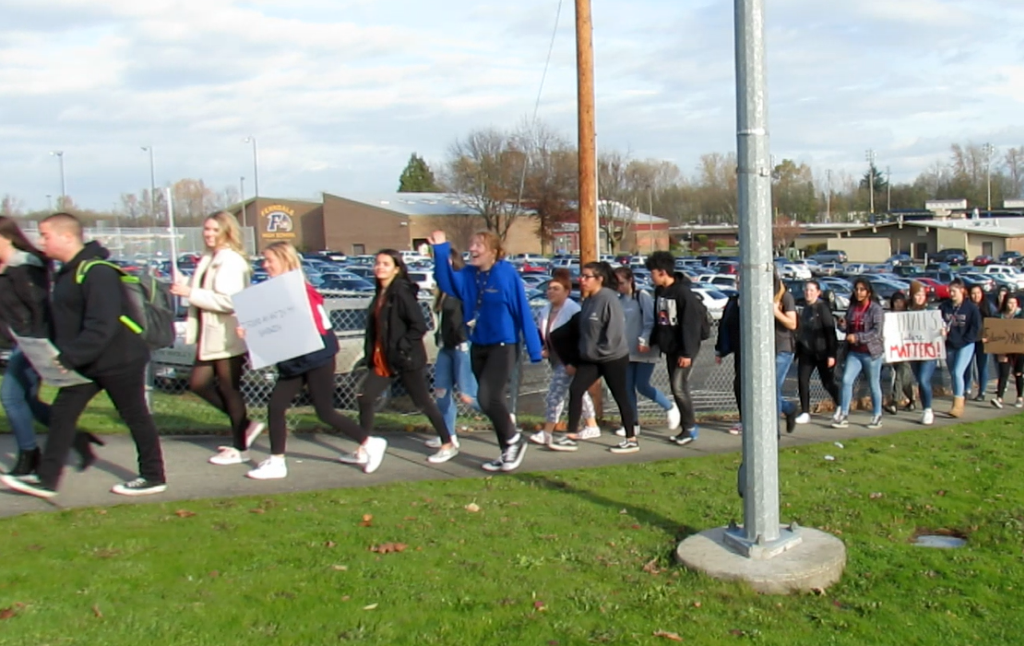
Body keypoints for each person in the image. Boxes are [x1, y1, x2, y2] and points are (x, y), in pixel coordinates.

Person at [1, 213, 166, 498]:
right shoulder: (65, 273)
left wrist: (68, 357)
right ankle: (46, 480)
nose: (41, 241)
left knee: (135, 416)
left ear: (67, 237)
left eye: (46, 235)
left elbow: (102, 326)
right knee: (63, 415)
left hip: (119, 359)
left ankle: (153, 476)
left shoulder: (97, 271)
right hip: (88, 362)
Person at [241, 242, 385, 478]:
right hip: (293, 361)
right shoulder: (271, 291)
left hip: (317, 359)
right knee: (276, 406)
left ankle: (370, 443)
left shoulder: (301, 291)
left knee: (325, 412)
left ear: (285, 261)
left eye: (270, 260)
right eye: (264, 261)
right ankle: (277, 461)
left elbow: (316, 328)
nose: (265, 265)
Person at [428, 230, 542, 472]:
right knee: (493, 400)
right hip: (478, 344)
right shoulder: (468, 275)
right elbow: (445, 280)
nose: (473, 249)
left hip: (504, 345)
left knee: (487, 397)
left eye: (479, 245)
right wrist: (439, 249)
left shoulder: (505, 273)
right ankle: (507, 451)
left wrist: (534, 348)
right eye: (471, 244)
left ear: (494, 251)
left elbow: (522, 309)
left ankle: (513, 440)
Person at [170, 212, 263, 466]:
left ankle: (240, 446)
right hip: (209, 335)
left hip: (226, 334)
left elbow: (228, 300)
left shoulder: (230, 261)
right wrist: (185, 284)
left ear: (227, 231)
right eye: (206, 230)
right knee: (199, 383)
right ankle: (246, 426)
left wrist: (190, 292)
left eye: (214, 230)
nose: (208, 234)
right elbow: (207, 289)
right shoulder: (211, 258)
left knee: (229, 389)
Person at [355, 249, 454, 465]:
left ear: (397, 269)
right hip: (384, 360)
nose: (380, 267)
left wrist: (402, 345)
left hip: (405, 358)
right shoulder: (380, 292)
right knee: (366, 398)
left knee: (422, 401)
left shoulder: (400, 291)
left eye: (386, 264)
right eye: (377, 263)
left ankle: (447, 443)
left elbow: (419, 325)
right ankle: (363, 447)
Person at [0, 217, 55, 476]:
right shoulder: (6, 269)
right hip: (17, 341)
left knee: (11, 397)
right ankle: (73, 435)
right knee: (29, 402)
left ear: (6, 237)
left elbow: (39, 308)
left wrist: (37, 345)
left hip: (32, 341)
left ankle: (29, 454)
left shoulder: (24, 267)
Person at [566, 262, 638, 453]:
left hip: (612, 357)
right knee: (576, 389)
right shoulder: (588, 299)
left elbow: (614, 332)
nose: (582, 280)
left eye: (587, 276)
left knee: (620, 395)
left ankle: (631, 439)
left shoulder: (609, 299)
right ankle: (570, 436)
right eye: (581, 276)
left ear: (600, 279)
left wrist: (601, 352)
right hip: (591, 358)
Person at [530, 268, 600, 451]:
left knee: (555, 394)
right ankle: (592, 425)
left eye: (556, 289)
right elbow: (545, 334)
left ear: (567, 292)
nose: (550, 291)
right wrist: (545, 348)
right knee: (579, 393)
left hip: (570, 361)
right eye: (549, 288)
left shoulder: (573, 311)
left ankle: (547, 431)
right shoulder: (546, 310)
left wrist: (574, 362)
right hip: (556, 360)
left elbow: (580, 339)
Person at [612, 266, 680, 438]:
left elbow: (650, 321)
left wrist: (644, 340)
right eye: (616, 284)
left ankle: (670, 406)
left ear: (630, 280)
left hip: (644, 349)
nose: (619, 287)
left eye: (621, 283)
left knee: (642, 385)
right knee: (627, 388)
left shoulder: (641, 297)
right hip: (626, 350)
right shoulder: (618, 300)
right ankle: (632, 424)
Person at [646, 251, 705, 445]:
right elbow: (661, 320)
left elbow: (691, 325)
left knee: (679, 387)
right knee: (675, 386)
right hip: (670, 348)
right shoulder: (660, 292)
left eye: (652, 272)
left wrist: (687, 352)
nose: (650, 276)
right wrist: (653, 340)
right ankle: (686, 428)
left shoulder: (683, 294)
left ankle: (690, 428)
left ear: (663, 272)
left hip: (684, 349)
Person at [428, 248, 479, 452]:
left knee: (467, 395)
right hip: (446, 347)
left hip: (462, 345)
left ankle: (505, 420)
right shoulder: (442, 291)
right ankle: (448, 436)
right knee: (441, 392)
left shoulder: (462, 285)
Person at [832, 277, 885, 429]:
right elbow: (848, 329)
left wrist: (858, 337)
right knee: (846, 380)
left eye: (862, 289)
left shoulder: (875, 309)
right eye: (856, 289)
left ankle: (877, 414)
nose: (858, 292)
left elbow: (876, 332)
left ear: (868, 292)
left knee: (874, 384)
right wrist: (843, 326)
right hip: (854, 352)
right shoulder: (852, 308)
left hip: (871, 353)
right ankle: (844, 414)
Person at [795, 279, 840, 424]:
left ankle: (840, 405)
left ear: (818, 292)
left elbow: (830, 332)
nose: (808, 293)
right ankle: (805, 412)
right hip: (806, 351)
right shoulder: (805, 308)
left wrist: (832, 354)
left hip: (822, 352)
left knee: (827, 382)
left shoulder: (822, 308)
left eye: (811, 290)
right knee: (802, 380)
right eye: (806, 290)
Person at [940, 278, 981, 418]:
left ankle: (958, 405)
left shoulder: (971, 308)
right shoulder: (944, 306)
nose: (951, 294)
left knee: (958, 372)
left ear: (962, 291)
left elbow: (976, 327)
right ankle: (959, 395)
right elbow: (937, 321)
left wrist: (966, 340)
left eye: (954, 291)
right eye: (950, 291)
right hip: (950, 344)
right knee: (953, 374)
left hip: (965, 344)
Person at [907, 281, 937, 425]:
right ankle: (925, 409)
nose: (920, 298)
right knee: (920, 380)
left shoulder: (930, 311)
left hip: (928, 352)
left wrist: (942, 331)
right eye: (917, 295)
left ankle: (928, 410)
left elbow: (938, 326)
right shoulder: (907, 313)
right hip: (913, 352)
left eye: (922, 295)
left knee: (924, 380)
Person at [772, 274, 799, 434]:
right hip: (767, 349)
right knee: (769, 390)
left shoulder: (786, 297)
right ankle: (789, 408)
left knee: (772, 389)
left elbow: (792, 323)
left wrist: (775, 311)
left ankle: (773, 431)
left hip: (783, 349)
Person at [714, 286, 742, 435]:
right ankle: (744, 419)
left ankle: (785, 408)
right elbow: (724, 325)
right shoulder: (733, 301)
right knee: (739, 385)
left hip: (757, 351)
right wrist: (720, 350)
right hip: (739, 350)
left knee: (754, 386)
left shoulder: (758, 300)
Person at [883, 292, 916, 415]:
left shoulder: (909, 316)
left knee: (899, 376)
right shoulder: (889, 317)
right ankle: (912, 400)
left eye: (900, 301)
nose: (898, 304)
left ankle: (894, 403)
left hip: (907, 352)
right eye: (896, 301)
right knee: (904, 379)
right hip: (895, 351)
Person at [991, 292, 1024, 409]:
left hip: (1019, 349)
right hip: (1004, 348)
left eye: (1014, 303)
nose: (1012, 305)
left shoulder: (1021, 315)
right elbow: (993, 331)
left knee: (1018, 373)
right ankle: (999, 397)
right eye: (1010, 303)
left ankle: (1020, 397)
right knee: (1003, 373)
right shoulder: (999, 315)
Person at [965, 284, 995, 401]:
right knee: (967, 366)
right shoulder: (967, 305)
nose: (976, 296)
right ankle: (967, 389)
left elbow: (995, 321)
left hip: (983, 340)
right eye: (973, 293)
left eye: (978, 293)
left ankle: (981, 392)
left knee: (982, 366)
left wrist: (988, 336)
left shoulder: (988, 306)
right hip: (970, 339)